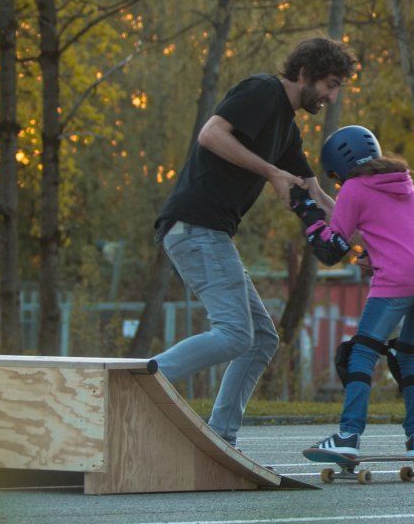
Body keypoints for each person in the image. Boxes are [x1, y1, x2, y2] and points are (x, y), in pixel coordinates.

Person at [147, 37, 356, 444]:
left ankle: (221, 439)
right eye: (330, 84)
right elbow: (211, 134)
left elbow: (318, 195)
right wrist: (270, 172)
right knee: (234, 333)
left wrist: (371, 235)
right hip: (194, 226)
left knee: (261, 339)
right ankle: (141, 380)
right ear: (304, 73)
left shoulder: (287, 131)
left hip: (211, 233)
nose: (331, 96)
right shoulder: (262, 91)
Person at [292, 124, 414, 462]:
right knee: (409, 351)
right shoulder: (406, 183)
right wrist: (372, 253)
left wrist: (306, 212)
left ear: (339, 168)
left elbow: (331, 249)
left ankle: (349, 435)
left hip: (399, 278)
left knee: (362, 352)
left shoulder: (354, 187)